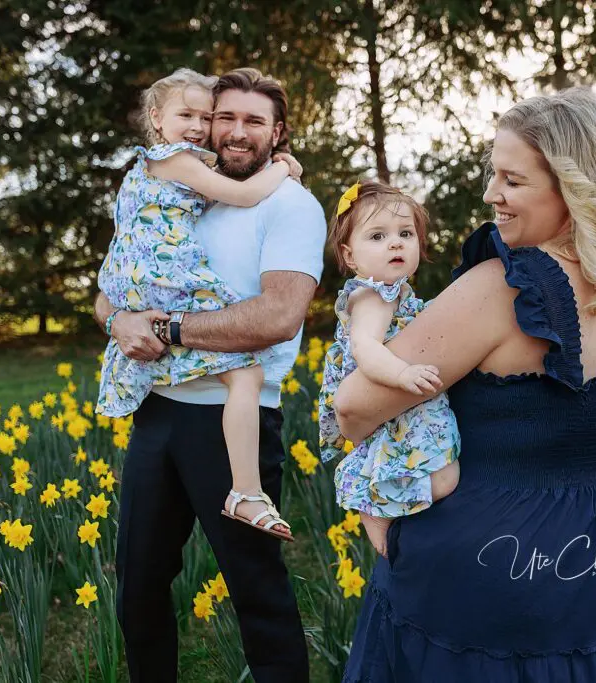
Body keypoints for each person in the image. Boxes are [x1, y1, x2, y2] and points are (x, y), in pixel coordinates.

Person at [334, 87, 596, 682]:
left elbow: (354, 407)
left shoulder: (503, 288)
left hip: (487, 564)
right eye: (493, 174)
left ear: (573, 188)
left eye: (512, 180)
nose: (491, 194)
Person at [93, 67, 325, 683]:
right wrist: (120, 321)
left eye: (254, 121)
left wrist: (168, 328)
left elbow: (278, 316)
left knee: (254, 585)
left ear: (279, 133)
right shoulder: (184, 191)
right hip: (158, 409)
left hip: (233, 419)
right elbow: (115, 283)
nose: (235, 131)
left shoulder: (290, 204)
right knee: (139, 579)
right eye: (226, 117)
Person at [96, 67, 304, 541]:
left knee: (240, 377)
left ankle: (245, 491)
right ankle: (246, 492)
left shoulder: (162, 167)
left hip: (137, 280)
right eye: (185, 115)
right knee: (246, 374)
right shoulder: (176, 160)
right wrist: (283, 168)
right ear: (156, 118)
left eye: (204, 117)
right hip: (165, 279)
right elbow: (244, 194)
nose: (197, 126)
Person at [317, 180, 460, 557]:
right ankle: (376, 505)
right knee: (445, 477)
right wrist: (402, 375)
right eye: (377, 236)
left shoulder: (394, 293)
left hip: (403, 403)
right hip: (391, 391)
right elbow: (364, 347)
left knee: (441, 473)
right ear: (350, 256)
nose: (395, 243)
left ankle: (390, 509)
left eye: (405, 234)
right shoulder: (373, 295)